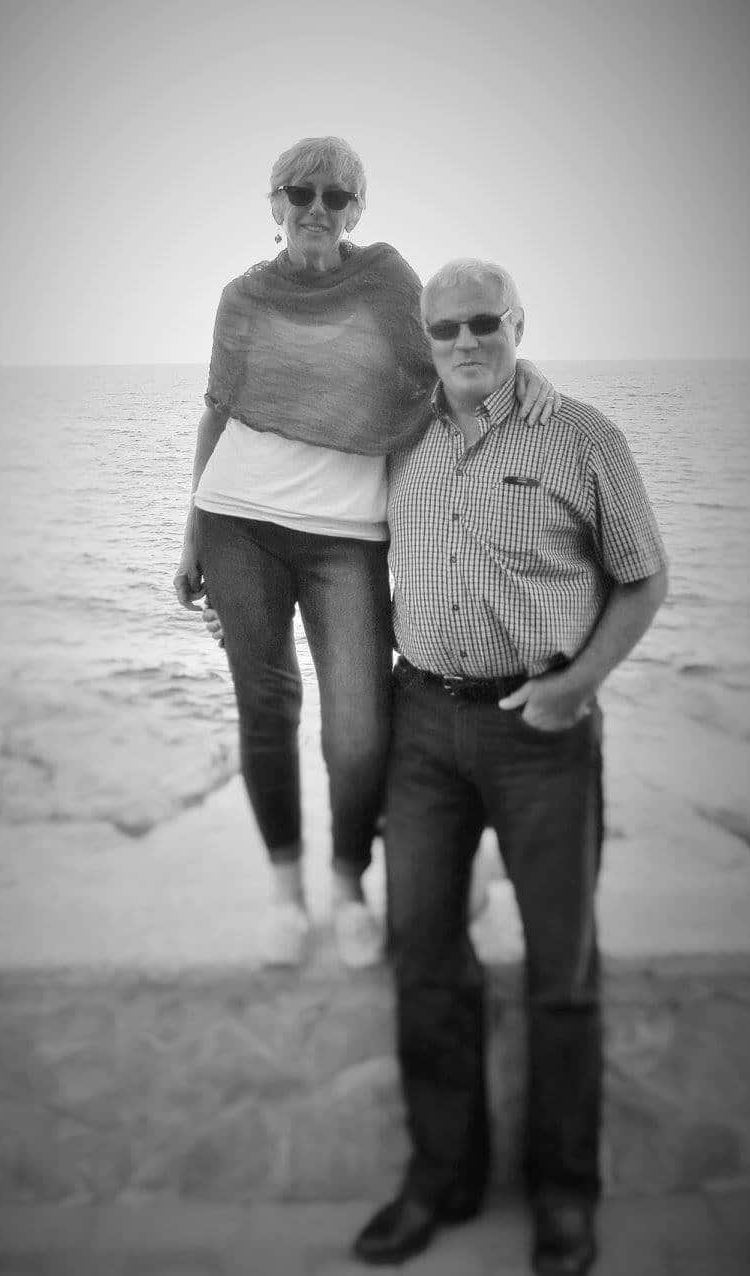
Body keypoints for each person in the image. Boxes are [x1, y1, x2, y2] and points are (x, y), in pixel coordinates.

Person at [352, 259, 668, 1273]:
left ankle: (564, 1194)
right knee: (424, 954)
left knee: (561, 968)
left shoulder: (584, 439)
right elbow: (325, 544)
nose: (464, 343)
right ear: (423, 339)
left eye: (483, 322)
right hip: (421, 725)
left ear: (518, 324)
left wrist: (580, 685)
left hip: (542, 728)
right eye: (443, 328)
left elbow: (644, 578)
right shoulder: (399, 438)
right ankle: (442, 1179)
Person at [173, 138, 556, 970]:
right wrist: (193, 534)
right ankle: (287, 894)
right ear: (275, 204)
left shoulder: (386, 282)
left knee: (358, 730)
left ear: (356, 210)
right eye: (299, 191)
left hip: (346, 537)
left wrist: (522, 379)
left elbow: (451, 359)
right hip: (238, 524)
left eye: (335, 195)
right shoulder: (242, 298)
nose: (316, 207)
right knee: (267, 710)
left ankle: (348, 885)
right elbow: (217, 412)